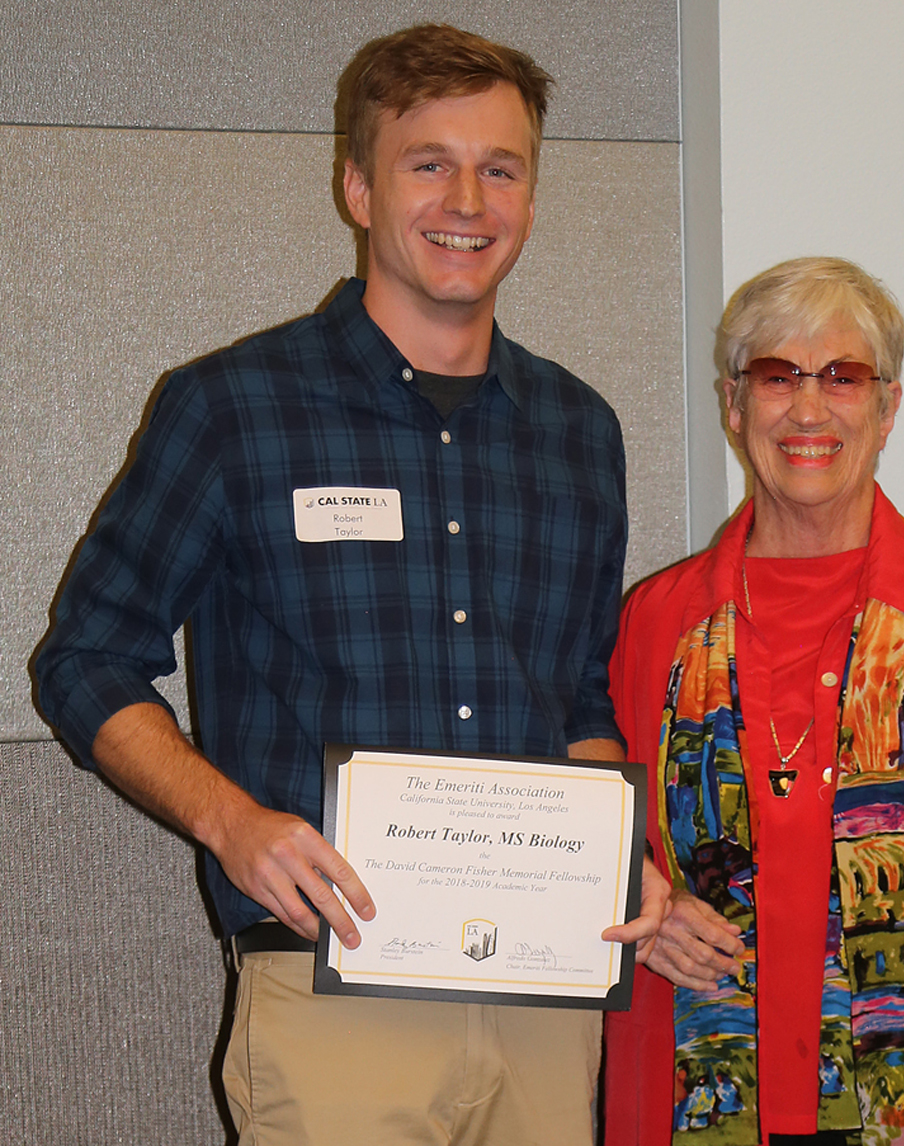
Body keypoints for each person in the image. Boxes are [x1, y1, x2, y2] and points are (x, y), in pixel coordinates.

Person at [34, 23, 666, 1146]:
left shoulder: (580, 431)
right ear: (358, 187)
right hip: (336, 990)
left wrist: (621, 856)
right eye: (428, 162)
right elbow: (84, 659)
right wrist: (232, 825)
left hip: (545, 998)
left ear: (530, 195)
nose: (467, 198)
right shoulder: (232, 408)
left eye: (501, 167)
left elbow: (576, 705)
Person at [602, 258, 904, 1145]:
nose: (808, 409)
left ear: (887, 406)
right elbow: (606, 832)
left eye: (843, 377)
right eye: (777, 376)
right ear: (733, 404)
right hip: (689, 1095)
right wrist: (638, 906)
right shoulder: (658, 622)